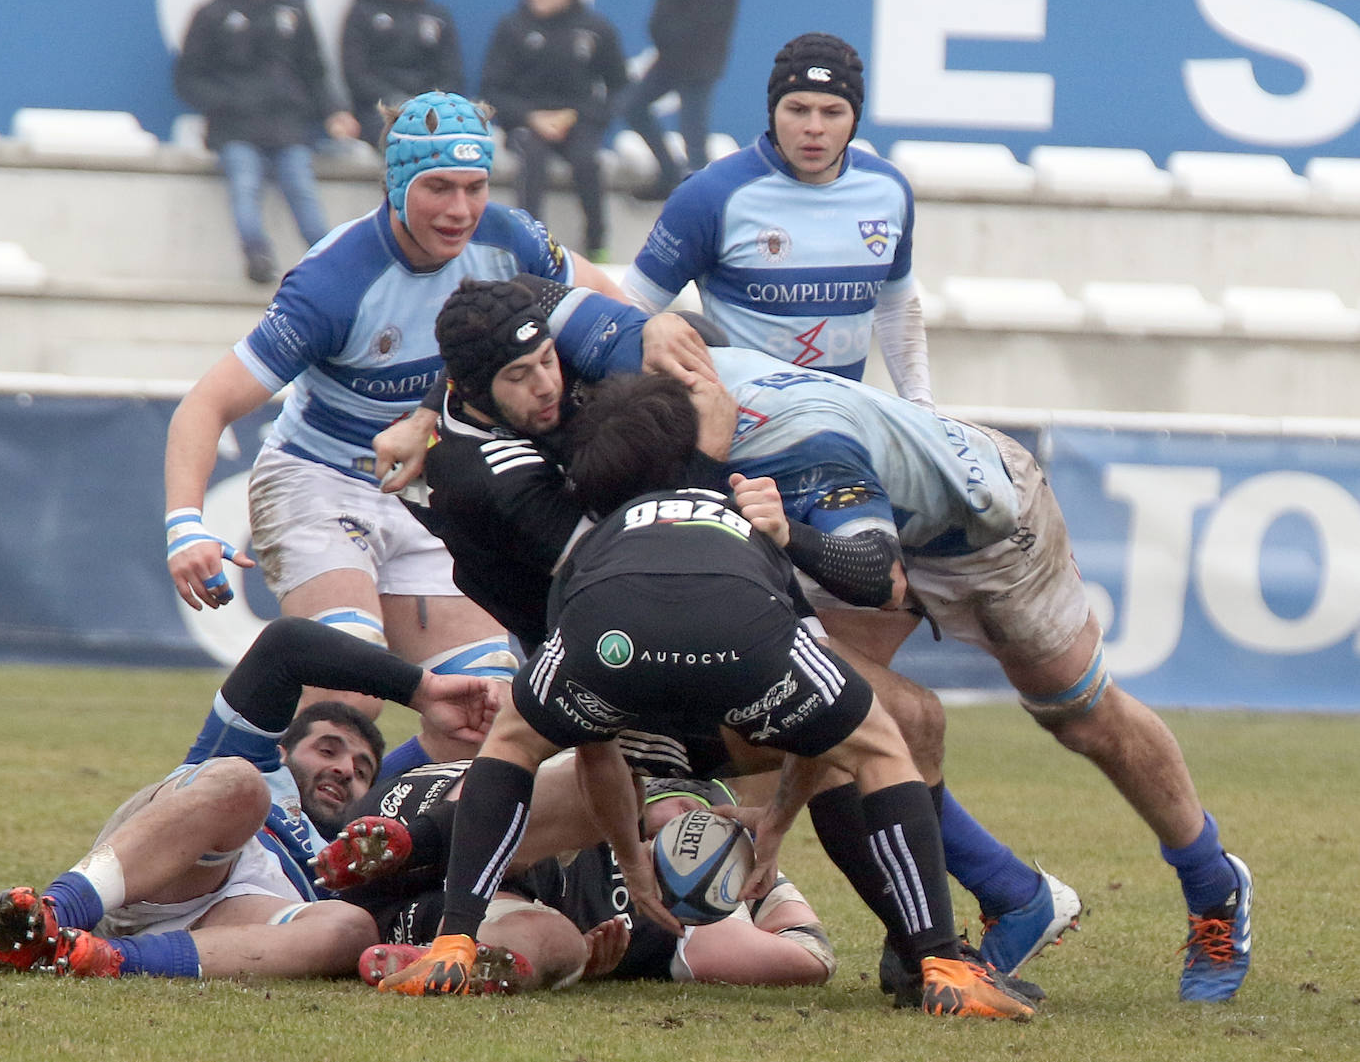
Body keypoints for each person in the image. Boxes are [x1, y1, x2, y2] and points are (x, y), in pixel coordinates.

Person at [373, 276, 1079, 995]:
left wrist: (640, 329)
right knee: (882, 732)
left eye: (549, 359)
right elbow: (643, 550)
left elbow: (527, 299)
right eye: (519, 377)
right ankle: (935, 952)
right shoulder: (485, 472)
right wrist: (724, 472)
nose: (548, 384)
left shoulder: (508, 394)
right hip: (627, 637)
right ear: (474, 385)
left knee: (525, 745)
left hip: (596, 640)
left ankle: (432, 903)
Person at [545, 296, 1256, 1004]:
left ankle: (1213, 884)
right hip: (851, 524)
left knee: (1082, 718)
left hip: (986, 528)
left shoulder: (797, 450)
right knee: (837, 711)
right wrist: (648, 314)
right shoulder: (652, 375)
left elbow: (878, 579)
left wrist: (790, 537)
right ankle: (1000, 902)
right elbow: (535, 285)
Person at [163, 90, 686, 720]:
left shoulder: (509, 238)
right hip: (318, 482)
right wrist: (185, 526)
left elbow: (611, 311)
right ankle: (251, 795)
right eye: (439, 187)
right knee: (348, 695)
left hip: (426, 493)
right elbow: (207, 403)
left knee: (484, 710)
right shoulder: (334, 282)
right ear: (395, 181)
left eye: (475, 186)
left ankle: (391, 820)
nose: (460, 209)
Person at [0, 617, 495, 980]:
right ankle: (54, 912)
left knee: (350, 927)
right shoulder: (252, 758)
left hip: (229, 926)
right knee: (240, 784)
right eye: (327, 748)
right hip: (160, 867)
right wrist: (423, 690)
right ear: (282, 746)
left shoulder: (354, 843)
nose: (344, 767)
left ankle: (95, 956)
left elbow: (453, 764)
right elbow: (286, 644)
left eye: (362, 770)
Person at [621, 31, 932, 406]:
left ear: (855, 119)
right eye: (798, 109)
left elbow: (898, 307)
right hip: (742, 435)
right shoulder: (709, 195)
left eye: (832, 112)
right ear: (773, 111)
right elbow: (631, 307)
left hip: (845, 427)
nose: (814, 127)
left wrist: (922, 409)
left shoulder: (888, 191)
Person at [340, 774, 835, 989]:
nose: (688, 817)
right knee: (577, 796)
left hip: (443, 909)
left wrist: (759, 881)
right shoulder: (606, 792)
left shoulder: (700, 914)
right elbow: (809, 952)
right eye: (692, 805)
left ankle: (451, 964)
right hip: (442, 818)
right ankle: (421, 843)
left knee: (560, 944)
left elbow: (811, 960)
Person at [174, 0, 360, 284]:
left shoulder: (294, 10)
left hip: (288, 129)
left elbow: (315, 71)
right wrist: (226, 102)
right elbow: (188, 77)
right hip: (236, 129)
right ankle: (257, 255)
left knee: (302, 189)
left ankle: (326, 261)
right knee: (244, 184)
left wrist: (335, 112)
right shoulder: (212, 13)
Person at [480, 0, 627, 261]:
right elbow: (492, 90)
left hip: (576, 123)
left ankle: (597, 245)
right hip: (526, 124)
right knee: (531, 158)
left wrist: (579, 116)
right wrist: (532, 117)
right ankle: (528, 245)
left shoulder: (595, 30)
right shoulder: (512, 29)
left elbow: (619, 87)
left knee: (588, 161)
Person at [625, 0, 750, 200]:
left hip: (698, 52)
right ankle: (670, 174)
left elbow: (712, 1)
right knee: (632, 106)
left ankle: (698, 200)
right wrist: (664, 31)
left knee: (693, 132)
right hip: (675, 50)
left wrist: (682, 37)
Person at [341, 0, 464, 147]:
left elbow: (452, 76)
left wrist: (429, 105)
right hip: (381, 113)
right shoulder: (362, 14)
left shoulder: (438, 17)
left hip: (433, 114)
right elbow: (356, 74)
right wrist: (398, 102)